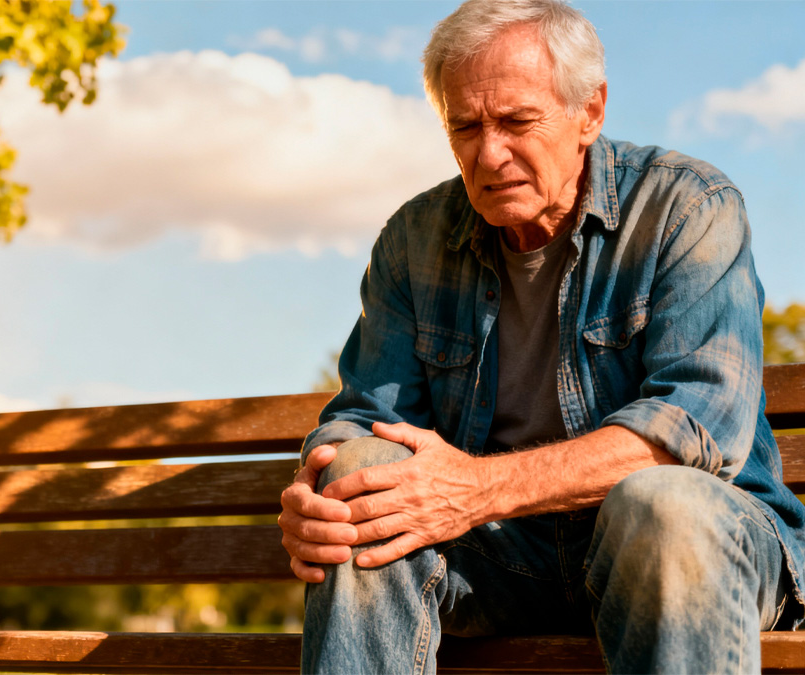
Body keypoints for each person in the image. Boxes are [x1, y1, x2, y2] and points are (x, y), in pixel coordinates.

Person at [277, 0, 805, 672]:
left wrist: (478, 487)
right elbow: (366, 421)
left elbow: (694, 434)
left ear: (590, 111)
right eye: (464, 127)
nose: (489, 154)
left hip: (700, 547)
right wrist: (318, 485)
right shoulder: (413, 240)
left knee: (659, 503)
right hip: (503, 558)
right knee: (361, 484)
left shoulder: (688, 207)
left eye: (516, 122)